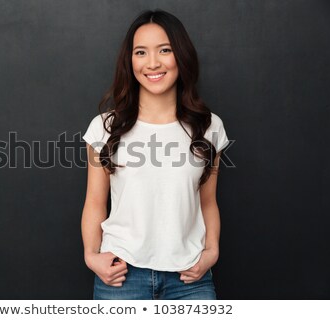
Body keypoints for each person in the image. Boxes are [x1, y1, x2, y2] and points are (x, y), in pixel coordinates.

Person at [81, 9, 230, 300]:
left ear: (181, 56)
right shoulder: (105, 127)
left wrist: (212, 250)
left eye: (165, 50)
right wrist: (91, 255)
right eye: (141, 52)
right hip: (121, 276)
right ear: (130, 61)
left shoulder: (209, 127)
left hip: (190, 278)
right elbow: (95, 202)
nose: (152, 63)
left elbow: (208, 202)